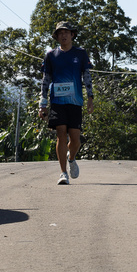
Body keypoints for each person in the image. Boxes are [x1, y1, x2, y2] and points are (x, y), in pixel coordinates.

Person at [38, 22, 94, 185]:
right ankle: (63, 173)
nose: (63, 36)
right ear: (56, 37)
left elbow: (87, 76)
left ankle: (72, 158)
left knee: (75, 139)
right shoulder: (51, 55)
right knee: (61, 133)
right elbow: (46, 80)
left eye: (66, 33)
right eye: (60, 33)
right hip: (57, 101)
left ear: (72, 35)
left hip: (75, 101)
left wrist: (90, 97)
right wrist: (42, 103)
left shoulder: (80, 53)